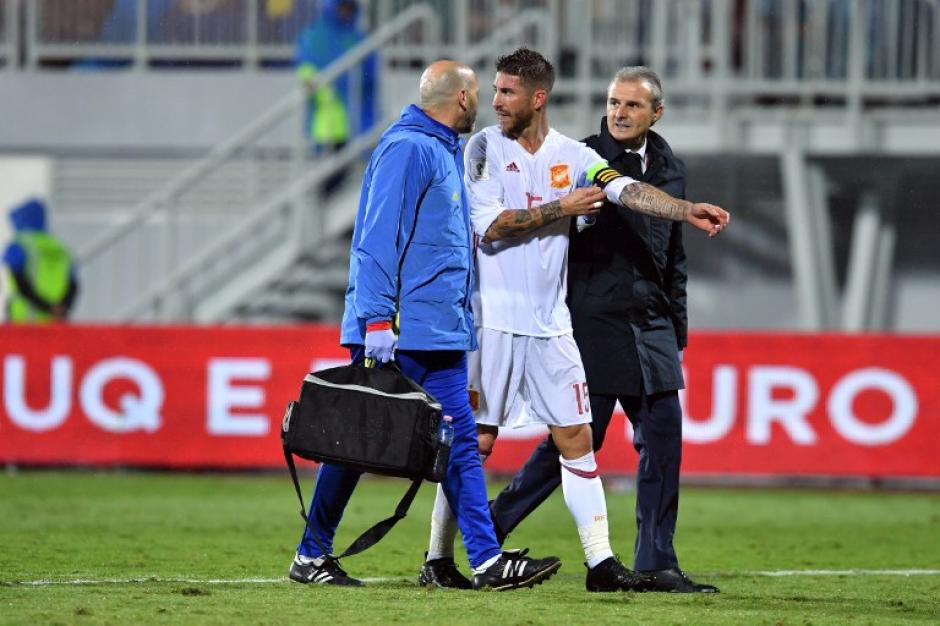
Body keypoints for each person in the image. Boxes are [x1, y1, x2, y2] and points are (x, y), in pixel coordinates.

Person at [418, 48, 729, 592]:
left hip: (552, 327)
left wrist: (686, 210)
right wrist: (563, 208)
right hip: (494, 324)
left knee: (577, 437)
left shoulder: (574, 154)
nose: (496, 101)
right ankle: (438, 557)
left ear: (538, 97)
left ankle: (600, 563)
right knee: (477, 441)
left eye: (507, 92)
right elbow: (492, 226)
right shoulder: (483, 147)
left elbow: (624, 189)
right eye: (496, 90)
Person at [288, 60, 562, 591]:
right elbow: (377, 237)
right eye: (478, 92)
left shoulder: (440, 149)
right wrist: (376, 320)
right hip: (401, 330)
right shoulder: (409, 148)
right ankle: (312, 552)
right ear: (461, 98)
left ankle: (485, 560)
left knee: (457, 445)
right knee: (357, 442)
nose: (483, 102)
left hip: (439, 330)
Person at [295, 0, 378, 194]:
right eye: (342, 8)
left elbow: (370, 76)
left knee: (344, 169)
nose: (345, 13)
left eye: (349, 9)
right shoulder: (316, 37)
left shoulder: (357, 38)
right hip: (328, 117)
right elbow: (306, 69)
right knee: (332, 170)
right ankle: (323, 199)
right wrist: (325, 90)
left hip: (354, 117)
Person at [3, 198, 79, 323]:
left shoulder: (19, 245)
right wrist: (61, 309)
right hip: (55, 322)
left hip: (23, 321)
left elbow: (20, 283)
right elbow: (73, 286)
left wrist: (46, 307)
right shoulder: (62, 248)